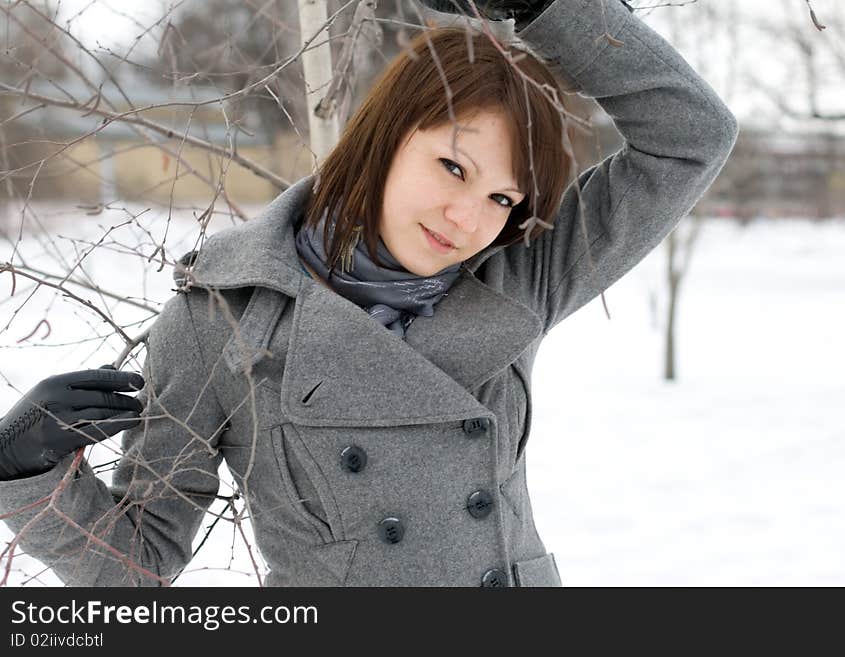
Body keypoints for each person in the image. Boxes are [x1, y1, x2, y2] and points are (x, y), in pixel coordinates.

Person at [0, 0, 737, 586]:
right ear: (383, 140)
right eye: (453, 167)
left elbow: (691, 135)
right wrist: (25, 471)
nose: (468, 219)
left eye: (503, 198)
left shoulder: (518, 282)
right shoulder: (219, 317)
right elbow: (140, 562)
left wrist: (550, 10)